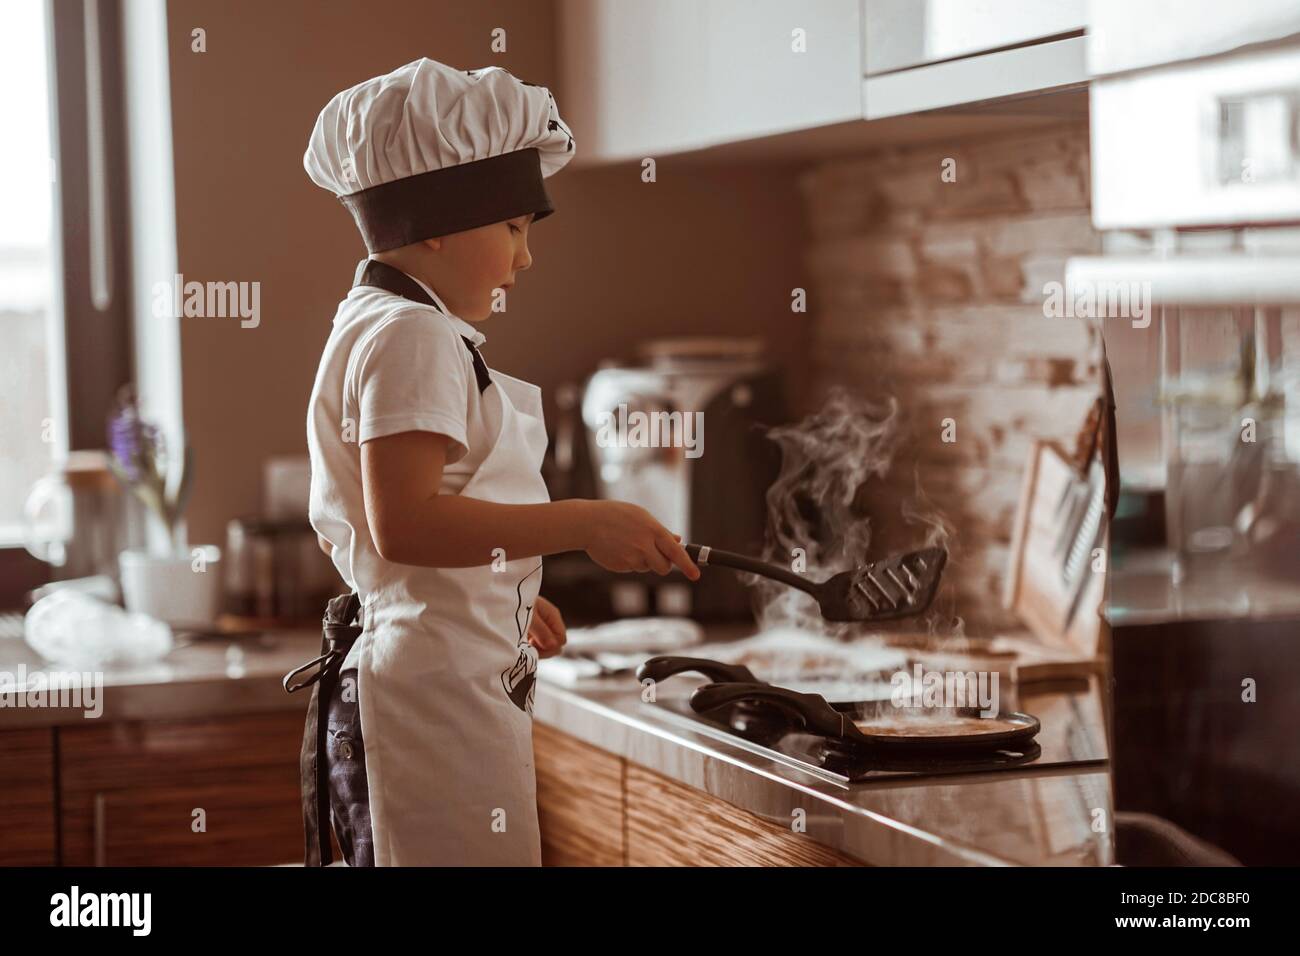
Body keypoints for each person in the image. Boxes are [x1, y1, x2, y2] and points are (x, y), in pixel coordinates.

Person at [293, 58, 700, 867]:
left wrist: (496, 594)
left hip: (434, 677)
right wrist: (586, 524)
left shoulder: (383, 319)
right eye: (514, 228)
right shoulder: (413, 335)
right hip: (425, 703)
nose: (526, 258)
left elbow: (407, 538)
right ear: (435, 221)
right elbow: (404, 522)